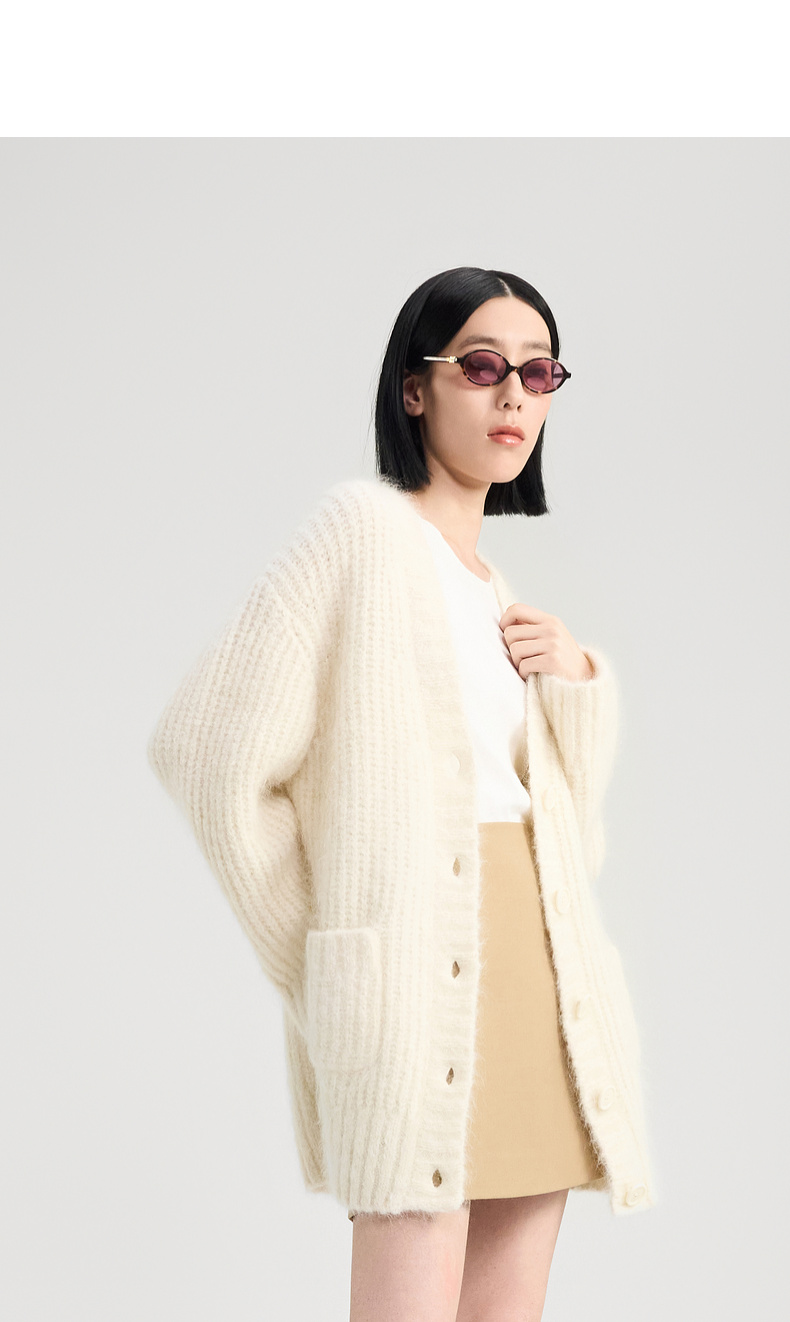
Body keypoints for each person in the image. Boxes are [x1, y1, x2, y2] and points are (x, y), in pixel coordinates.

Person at [148, 266, 656, 1322]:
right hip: (413, 977)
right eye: (482, 365)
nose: (513, 394)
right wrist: (324, 952)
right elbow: (203, 748)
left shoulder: (497, 593)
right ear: (415, 388)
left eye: (539, 372)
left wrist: (577, 681)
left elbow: (576, 839)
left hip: (544, 975)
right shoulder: (361, 534)